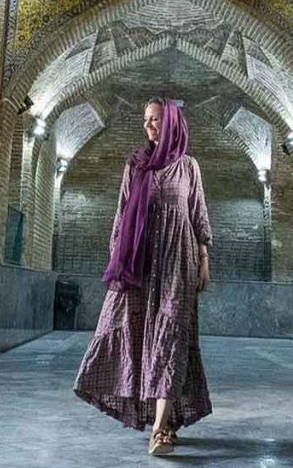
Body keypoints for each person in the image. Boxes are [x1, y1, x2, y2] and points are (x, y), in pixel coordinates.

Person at [73, 97, 214, 456]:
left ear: (173, 123)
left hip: (178, 261)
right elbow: (122, 216)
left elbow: (197, 213)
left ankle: (160, 428)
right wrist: (118, 262)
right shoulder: (135, 165)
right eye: (146, 120)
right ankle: (159, 417)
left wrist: (204, 258)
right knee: (130, 331)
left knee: (170, 338)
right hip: (139, 263)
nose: (150, 126)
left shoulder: (189, 167)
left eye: (156, 120)